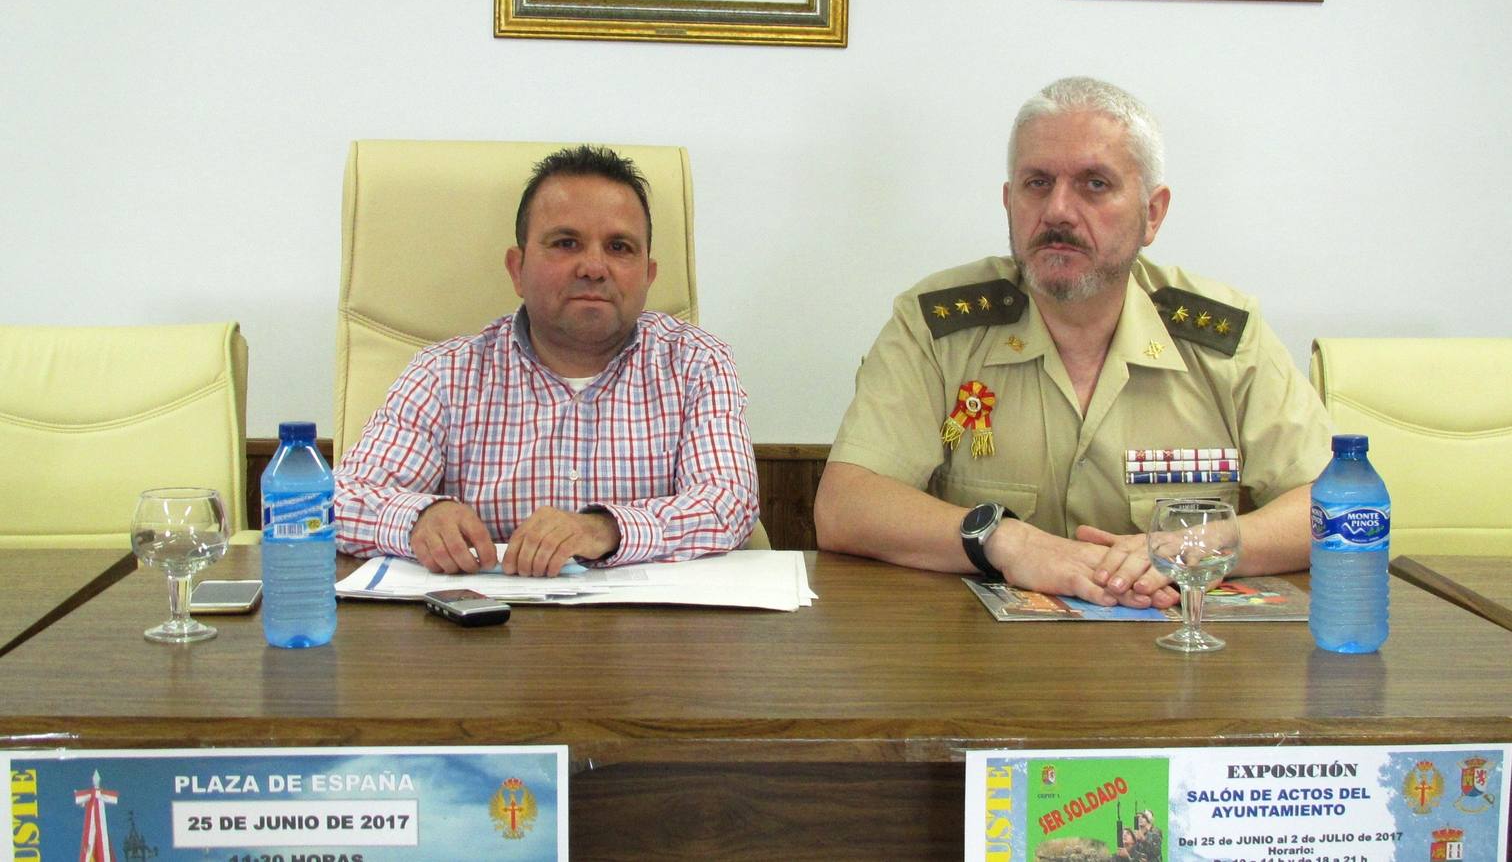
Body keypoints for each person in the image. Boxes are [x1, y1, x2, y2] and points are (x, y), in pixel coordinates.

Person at [814, 76, 1332, 608]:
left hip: (1173, 643)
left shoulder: (1222, 337)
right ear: (1009, 202)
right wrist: (1005, 541)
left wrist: (1198, 545)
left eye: (1095, 184)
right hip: (977, 648)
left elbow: (1338, 505)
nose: (1058, 210)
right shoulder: (938, 325)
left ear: (1152, 213)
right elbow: (845, 506)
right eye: (1037, 183)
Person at [336, 145, 759, 577]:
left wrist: (606, 529)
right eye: (566, 243)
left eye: (619, 247)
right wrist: (419, 519)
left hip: (647, 618)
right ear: (517, 269)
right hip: (487, 615)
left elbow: (729, 503)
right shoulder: (444, 374)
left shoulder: (695, 365)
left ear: (648, 276)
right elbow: (342, 500)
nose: (593, 267)